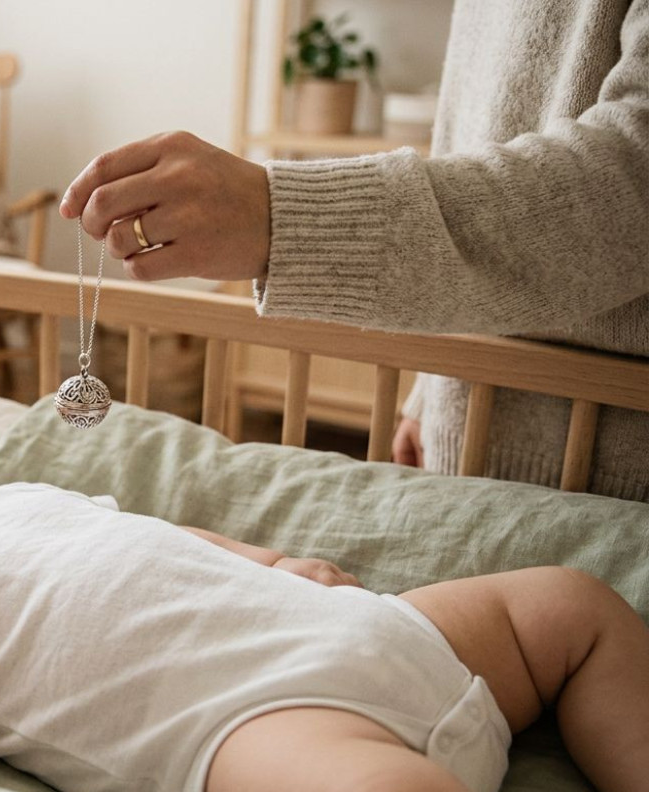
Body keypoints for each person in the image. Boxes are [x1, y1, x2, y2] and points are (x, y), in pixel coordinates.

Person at [0, 406, 649, 792]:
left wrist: (267, 555)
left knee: (567, 604)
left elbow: (154, 539)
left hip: (369, 626)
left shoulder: (14, 497)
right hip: (252, 721)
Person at [58, 1, 649, 502]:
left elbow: (636, 167)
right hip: (465, 431)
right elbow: (480, 126)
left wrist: (281, 216)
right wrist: (434, 389)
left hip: (611, 479)